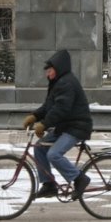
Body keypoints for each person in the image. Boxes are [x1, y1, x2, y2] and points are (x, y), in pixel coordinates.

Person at [22, 49, 93, 200]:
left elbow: (61, 109)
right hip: (65, 126)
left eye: (49, 71)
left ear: (58, 68)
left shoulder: (66, 83)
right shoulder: (58, 83)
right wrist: (34, 116)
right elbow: (49, 107)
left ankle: (80, 179)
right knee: (39, 148)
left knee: (54, 154)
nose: (47, 74)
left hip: (77, 127)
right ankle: (49, 185)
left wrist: (44, 124)